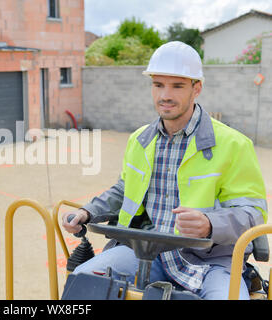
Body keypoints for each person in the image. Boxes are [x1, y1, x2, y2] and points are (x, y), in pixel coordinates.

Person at [62, 41, 267, 300]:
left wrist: (209, 224)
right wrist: (88, 211)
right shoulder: (139, 140)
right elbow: (124, 190)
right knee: (81, 285)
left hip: (211, 262)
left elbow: (254, 214)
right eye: (158, 85)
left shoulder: (234, 145)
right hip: (143, 252)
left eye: (177, 86)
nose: (165, 95)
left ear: (197, 88)